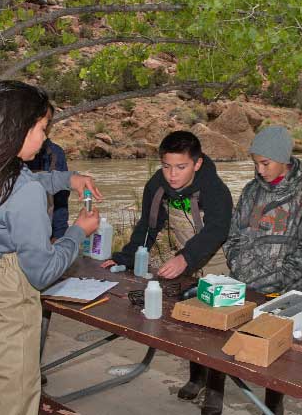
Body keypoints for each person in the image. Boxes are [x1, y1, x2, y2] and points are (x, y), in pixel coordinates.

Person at [0, 80, 101, 415]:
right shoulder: (21, 191)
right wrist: (77, 232)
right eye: (42, 128)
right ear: (20, 126)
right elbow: (42, 273)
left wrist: (66, 179)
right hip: (2, 331)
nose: (44, 138)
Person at [102, 130, 233, 415]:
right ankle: (196, 377)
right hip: (185, 256)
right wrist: (123, 257)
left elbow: (217, 229)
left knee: (213, 326)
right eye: (166, 165)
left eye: (181, 167)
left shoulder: (214, 188)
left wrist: (186, 258)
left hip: (218, 259)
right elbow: (148, 226)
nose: (172, 175)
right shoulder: (158, 185)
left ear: (196, 164)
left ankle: (214, 388)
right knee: (189, 321)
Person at [222, 125, 302, 415]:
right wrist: (239, 267)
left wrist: (280, 282)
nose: (260, 169)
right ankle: (211, 401)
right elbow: (233, 236)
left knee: (277, 361)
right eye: (256, 163)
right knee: (226, 349)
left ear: (284, 159)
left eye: (265, 163)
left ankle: (273, 405)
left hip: (283, 293)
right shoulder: (251, 191)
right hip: (244, 286)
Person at [25, 105, 70, 240]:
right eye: (42, 125)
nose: (47, 129)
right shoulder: (6, 157)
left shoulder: (55, 153)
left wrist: (58, 235)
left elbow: (60, 200)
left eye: (49, 123)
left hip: (44, 235)